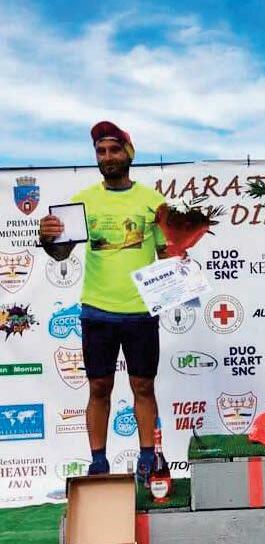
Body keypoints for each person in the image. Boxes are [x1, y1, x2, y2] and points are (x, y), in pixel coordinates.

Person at [39, 121, 168, 484]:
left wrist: (182, 262)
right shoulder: (82, 201)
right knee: (99, 388)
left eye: (114, 150)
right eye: (101, 151)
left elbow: (166, 252)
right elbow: (61, 254)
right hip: (97, 311)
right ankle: (98, 463)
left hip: (141, 310)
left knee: (143, 387)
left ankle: (148, 457)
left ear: (129, 153)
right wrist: (48, 238)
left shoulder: (153, 202)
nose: (107, 157)